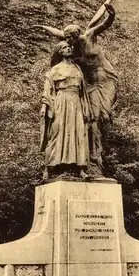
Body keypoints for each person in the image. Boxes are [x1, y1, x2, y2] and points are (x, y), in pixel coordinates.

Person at [35, 3, 118, 177]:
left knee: (102, 116)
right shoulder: (70, 60)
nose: (67, 43)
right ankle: (92, 161)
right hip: (88, 85)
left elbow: (103, 25)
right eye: (65, 40)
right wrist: (42, 26)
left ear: (76, 35)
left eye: (69, 39)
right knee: (91, 121)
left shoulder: (88, 36)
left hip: (105, 79)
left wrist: (111, 15)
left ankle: (93, 160)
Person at [40, 41, 93, 180]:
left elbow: (83, 92)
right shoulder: (55, 70)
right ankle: (50, 167)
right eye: (64, 47)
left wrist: (86, 108)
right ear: (60, 52)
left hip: (76, 102)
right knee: (58, 132)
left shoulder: (77, 68)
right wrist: (44, 107)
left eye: (69, 47)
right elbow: (47, 90)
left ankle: (80, 168)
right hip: (61, 101)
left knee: (78, 132)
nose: (68, 48)